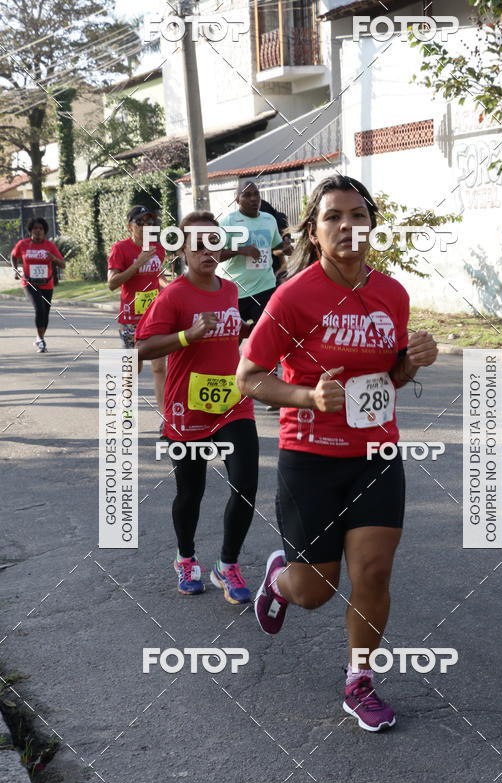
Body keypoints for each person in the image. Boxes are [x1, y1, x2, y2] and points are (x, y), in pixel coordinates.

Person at [236, 174, 438, 732]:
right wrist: (306, 394)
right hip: (311, 455)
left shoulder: (391, 293)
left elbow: (390, 377)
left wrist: (412, 360)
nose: (348, 225)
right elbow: (248, 378)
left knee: (372, 573)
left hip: (376, 453)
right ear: (315, 230)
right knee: (315, 591)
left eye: (357, 214)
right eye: (333, 216)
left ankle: (359, 681)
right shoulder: (295, 295)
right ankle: (280, 580)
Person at [136, 210, 258, 603]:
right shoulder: (173, 295)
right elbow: (143, 347)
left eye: (214, 242)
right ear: (184, 251)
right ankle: (186, 558)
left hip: (232, 403)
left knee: (245, 483)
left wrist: (240, 331)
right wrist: (187, 336)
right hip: (187, 408)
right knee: (191, 493)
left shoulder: (229, 290)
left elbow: (224, 336)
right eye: (198, 244)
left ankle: (227, 565)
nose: (208, 250)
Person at [107, 205, 169, 416]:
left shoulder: (158, 248)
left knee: (160, 367)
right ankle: (124, 410)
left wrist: (168, 286)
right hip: (131, 317)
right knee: (135, 367)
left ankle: (164, 417)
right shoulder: (120, 249)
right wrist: (137, 264)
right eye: (140, 222)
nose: (146, 226)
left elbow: (158, 276)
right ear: (129, 226)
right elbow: (112, 283)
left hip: (156, 316)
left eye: (150, 222)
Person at [218, 180, 285, 326]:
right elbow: (215, 255)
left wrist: (286, 248)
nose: (253, 198)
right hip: (237, 291)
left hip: (265, 287)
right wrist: (240, 250)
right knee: (233, 337)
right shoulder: (228, 222)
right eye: (247, 195)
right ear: (237, 200)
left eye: (256, 194)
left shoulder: (270, 219)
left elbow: (276, 246)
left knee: (264, 333)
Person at [11, 217, 65, 353]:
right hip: (29, 282)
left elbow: (62, 264)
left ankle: (39, 337)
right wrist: (15, 269)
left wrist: (53, 258)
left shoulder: (50, 246)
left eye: (41, 229)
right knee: (39, 308)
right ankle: (41, 340)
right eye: (35, 228)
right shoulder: (23, 244)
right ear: (30, 231)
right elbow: (13, 255)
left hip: (47, 284)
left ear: (45, 231)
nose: (38, 231)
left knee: (45, 313)